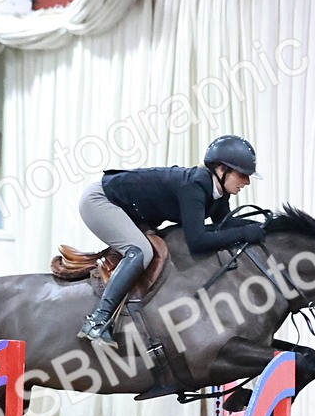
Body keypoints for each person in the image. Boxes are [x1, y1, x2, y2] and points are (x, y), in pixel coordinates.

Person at [76, 135, 266, 347]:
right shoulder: (195, 185)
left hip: (129, 209)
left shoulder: (218, 192)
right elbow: (198, 241)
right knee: (141, 251)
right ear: (221, 170)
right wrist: (245, 233)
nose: (247, 181)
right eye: (242, 175)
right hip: (100, 199)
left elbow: (224, 224)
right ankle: (98, 320)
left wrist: (266, 225)